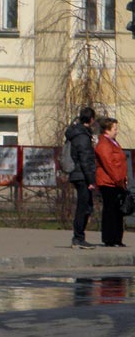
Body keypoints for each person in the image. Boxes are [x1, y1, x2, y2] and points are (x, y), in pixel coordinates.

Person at [66, 106, 98, 249]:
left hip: (77, 173)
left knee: (86, 206)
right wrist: (91, 180)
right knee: (84, 206)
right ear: (91, 120)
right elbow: (85, 160)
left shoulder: (76, 133)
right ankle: (78, 237)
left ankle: (78, 237)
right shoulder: (83, 137)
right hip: (82, 175)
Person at [94, 117, 128, 248]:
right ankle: (109, 238)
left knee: (118, 210)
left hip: (117, 181)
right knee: (110, 210)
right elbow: (109, 164)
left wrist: (123, 178)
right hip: (108, 182)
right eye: (114, 129)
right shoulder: (103, 145)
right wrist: (119, 179)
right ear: (107, 130)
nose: (116, 131)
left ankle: (117, 238)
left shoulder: (113, 142)